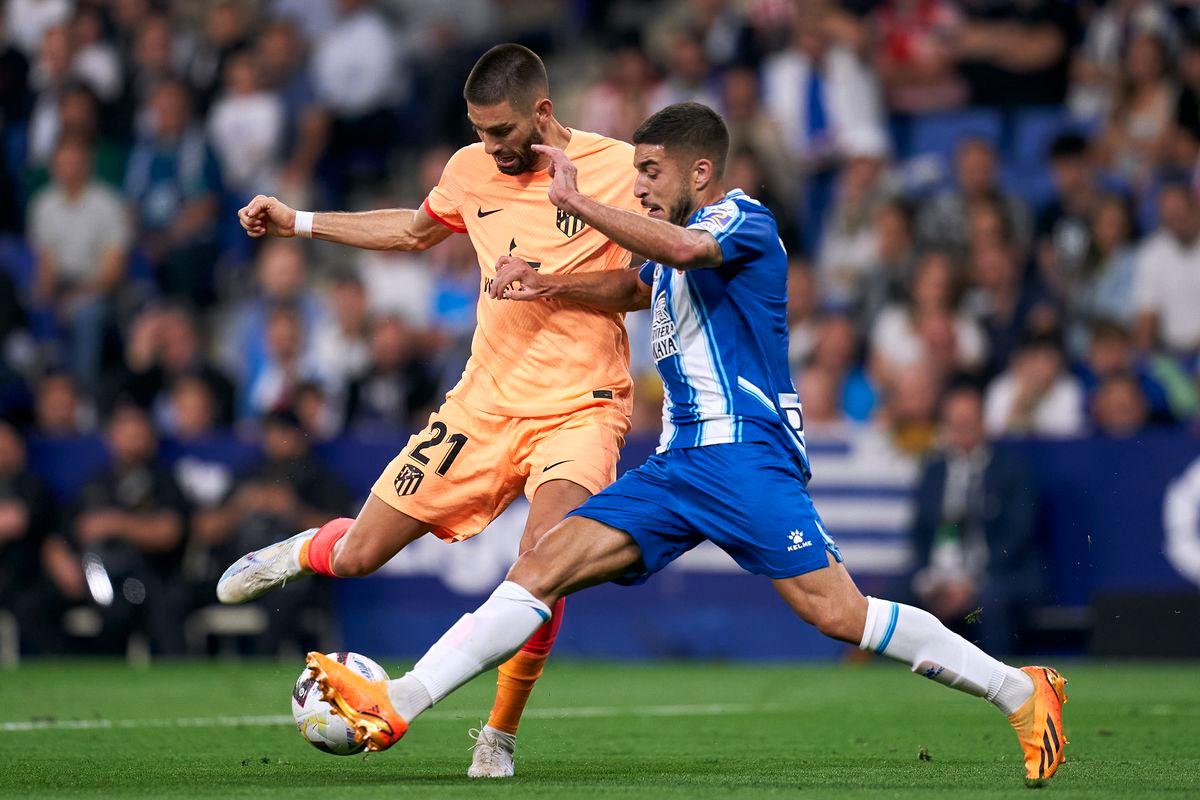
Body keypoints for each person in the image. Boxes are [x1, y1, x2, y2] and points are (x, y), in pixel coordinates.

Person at [306, 102, 1069, 787]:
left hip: (743, 456)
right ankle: (402, 702)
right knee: (542, 566)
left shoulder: (741, 221)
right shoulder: (666, 243)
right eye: (634, 170)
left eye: (650, 170)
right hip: (679, 464)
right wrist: (546, 283)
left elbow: (685, 254)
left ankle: (1022, 691)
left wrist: (573, 201)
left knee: (839, 615)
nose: (636, 184)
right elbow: (634, 283)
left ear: (699, 171)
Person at [218, 44, 642, 778]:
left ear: (543, 113)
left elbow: (640, 289)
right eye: (479, 131)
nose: (490, 146)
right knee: (358, 557)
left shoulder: (617, 168)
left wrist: (547, 284)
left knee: (544, 566)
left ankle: (499, 734)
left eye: (502, 131)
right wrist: (299, 222)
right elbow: (414, 231)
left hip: (581, 405)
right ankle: (299, 551)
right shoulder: (469, 169)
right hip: (482, 403)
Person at [909, 384, 1041, 654]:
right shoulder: (933, 471)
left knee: (991, 602)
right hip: (939, 575)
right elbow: (920, 531)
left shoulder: (1011, 470)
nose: (962, 431)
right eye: (956, 424)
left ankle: (998, 682)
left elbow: (1018, 534)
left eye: (968, 423)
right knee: (896, 598)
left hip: (995, 574)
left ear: (983, 423)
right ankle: (892, 688)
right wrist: (934, 579)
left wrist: (970, 582)